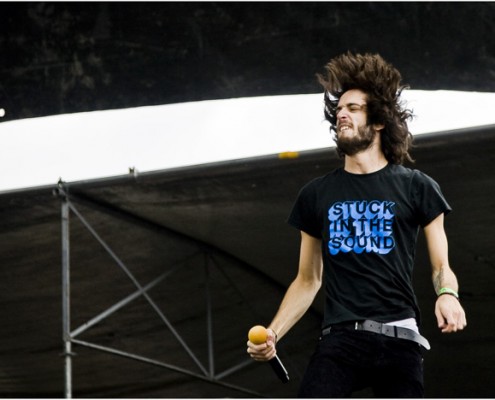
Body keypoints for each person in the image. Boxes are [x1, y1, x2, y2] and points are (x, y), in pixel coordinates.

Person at [246, 52, 467, 398]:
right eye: (339, 109)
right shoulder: (317, 195)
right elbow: (308, 280)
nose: (342, 114)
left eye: (354, 108)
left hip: (400, 339)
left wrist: (448, 294)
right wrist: (274, 332)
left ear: (378, 121)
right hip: (340, 341)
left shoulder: (417, 186)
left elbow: (442, 267)